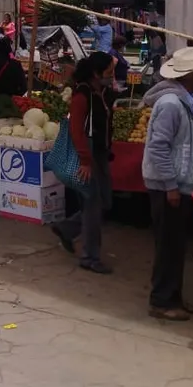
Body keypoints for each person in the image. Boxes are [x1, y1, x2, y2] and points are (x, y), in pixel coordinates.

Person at [141, 47, 193, 320]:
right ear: (190, 74)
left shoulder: (186, 99)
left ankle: (174, 296)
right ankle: (161, 300)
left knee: (175, 245)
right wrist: (170, 184)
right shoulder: (170, 104)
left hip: (181, 184)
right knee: (168, 246)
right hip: (167, 186)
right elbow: (159, 147)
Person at [51, 51, 115, 274]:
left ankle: (66, 228)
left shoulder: (102, 92)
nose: (112, 75)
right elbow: (76, 130)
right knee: (93, 207)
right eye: (108, 72)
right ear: (96, 74)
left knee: (104, 201)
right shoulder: (82, 95)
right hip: (87, 158)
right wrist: (85, 161)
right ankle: (90, 257)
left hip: (100, 154)